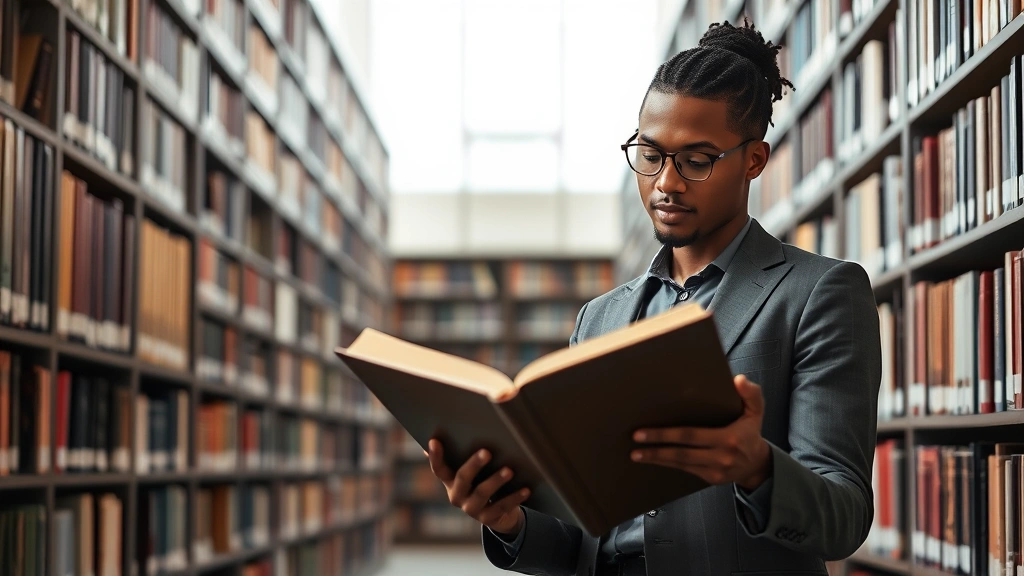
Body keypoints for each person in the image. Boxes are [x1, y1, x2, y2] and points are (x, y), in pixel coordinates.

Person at [425, 19, 881, 576]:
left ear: (755, 161)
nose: (666, 182)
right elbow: (574, 542)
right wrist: (508, 521)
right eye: (649, 154)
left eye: (696, 160)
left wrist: (758, 467)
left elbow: (845, 518)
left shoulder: (818, 293)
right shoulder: (600, 317)